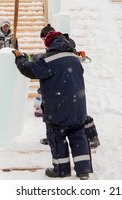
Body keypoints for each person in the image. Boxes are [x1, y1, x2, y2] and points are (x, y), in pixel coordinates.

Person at [12, 30, 93, 180]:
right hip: (78, 107)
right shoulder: (74, 58)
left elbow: (29, 70)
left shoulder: (49, 60)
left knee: (57, 138)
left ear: (49, 44)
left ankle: (61, 170)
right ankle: (83, 171)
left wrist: (19, 59)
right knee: (79, 136)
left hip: (58, 109)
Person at [38, 24, 100, 149]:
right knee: (51, 110)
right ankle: (51, 136)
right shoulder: (55, 46)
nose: (44, 42)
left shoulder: (66, 44)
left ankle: (93, 137)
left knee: (77, 113)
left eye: (44, 39)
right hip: (59, 83)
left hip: (69, 82)